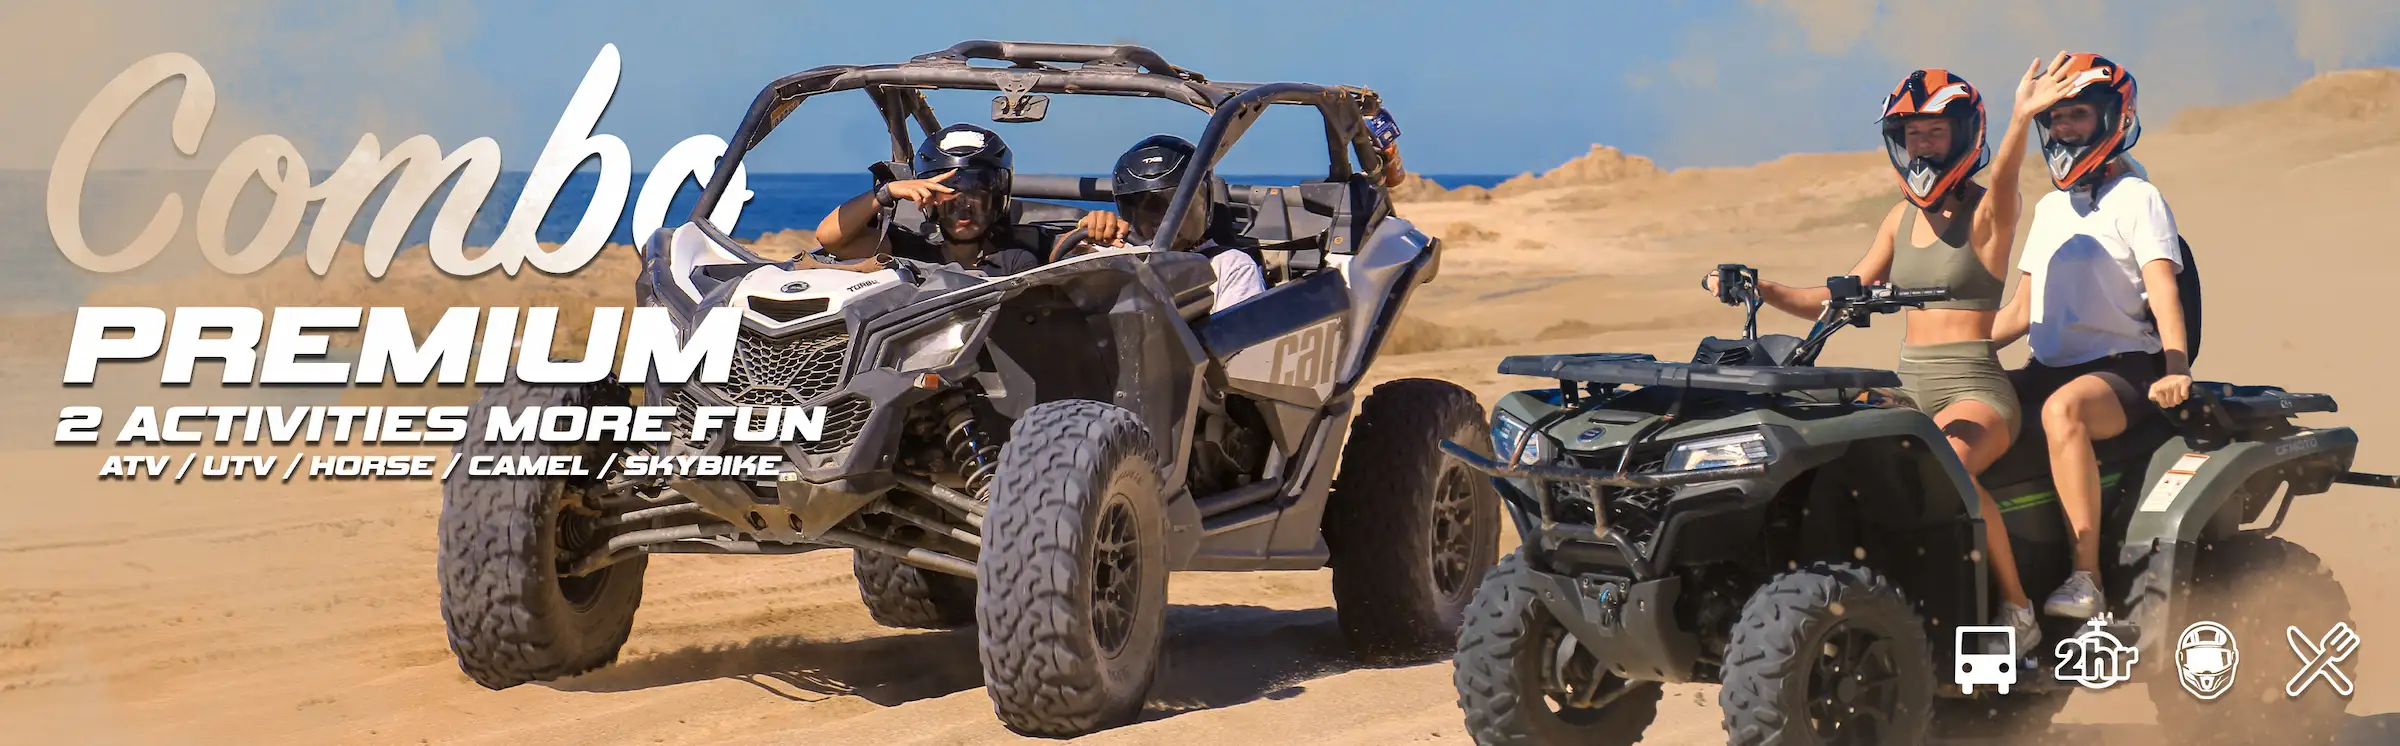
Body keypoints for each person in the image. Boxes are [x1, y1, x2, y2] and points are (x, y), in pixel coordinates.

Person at [1699, 63, 2071, 655]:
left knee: (1949, 469)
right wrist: (1760, 287)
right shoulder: (1899, 219)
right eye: (1911, 135)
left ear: (1963, 134)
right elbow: (1832, 297)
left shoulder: (1988, 216)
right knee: (1837, 466)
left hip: (1974, 390)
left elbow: (2004, 180)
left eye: (1934, 133)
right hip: (1911, 389)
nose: (1922, 146)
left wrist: (2022, 116)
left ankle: (2018, 611)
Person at [1992, 53, 2193, 622]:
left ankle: (2088, 580)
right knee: (1968, 413)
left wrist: (2177, 367)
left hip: (2122, 370)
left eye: (2077, 114)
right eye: (2055, 119)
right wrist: (1949, 354)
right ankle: (2004, 593)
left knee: (2063, 412)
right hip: (2046, 367)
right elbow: (2019, 313)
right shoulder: (2052, 208)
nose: (2063, 129)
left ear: (2113, 118)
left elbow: (2163, 293)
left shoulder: (2138, 197)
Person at [1066, 134, 1266, 313]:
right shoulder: (1118, 254)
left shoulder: (1229, 265)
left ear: (1202, 203)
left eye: (1174, 206)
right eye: (1146, 208)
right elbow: (1058, 266)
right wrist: (1087, 232)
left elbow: (1235, 344)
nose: (1160, 220)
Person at [814, 123, 1041, 276]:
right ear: (930, 199)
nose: (963, 207)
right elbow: (830, 238)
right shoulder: (908, 250)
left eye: (975, 192)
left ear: (995, 199)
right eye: (948, 193)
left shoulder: (1015, 262)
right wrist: (886, 192)